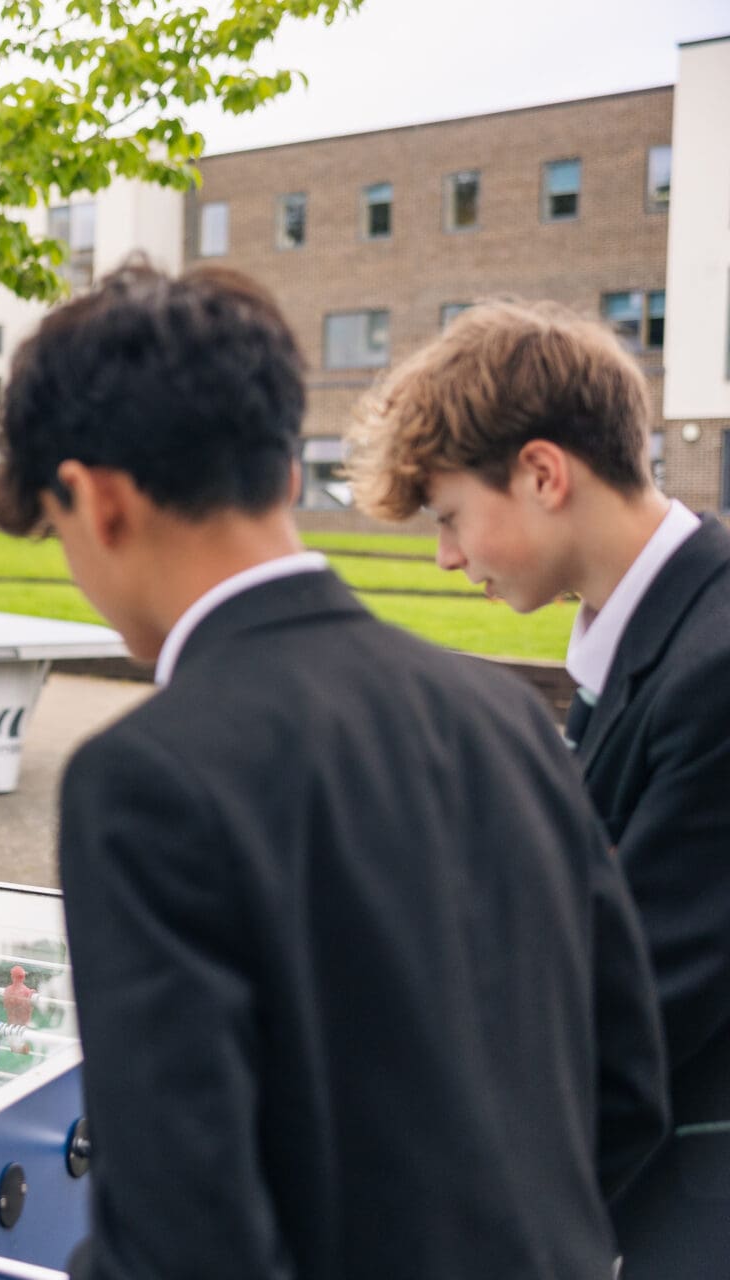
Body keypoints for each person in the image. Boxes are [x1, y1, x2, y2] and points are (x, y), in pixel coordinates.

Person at [0, 261, 667, 1279]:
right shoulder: (504, 717)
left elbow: (183, 1234)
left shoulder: (147, 777)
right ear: (286, 474)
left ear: (96, 498)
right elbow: (627, 1083)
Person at [346, 298, 730, 1277]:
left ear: (543, 473)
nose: (444, 554)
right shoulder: (649, 637)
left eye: (449, 516)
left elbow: (631, 1006)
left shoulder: (715, 667)